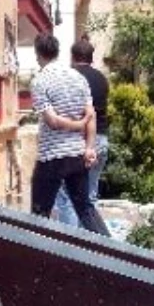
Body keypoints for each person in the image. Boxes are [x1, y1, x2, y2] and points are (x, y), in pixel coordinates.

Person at [29, 34, 110, 236]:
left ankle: (41, 257)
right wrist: (89, 148)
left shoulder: (40, 81)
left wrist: (77, 124)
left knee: (40, 212)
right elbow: (90, 115)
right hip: (77, 154)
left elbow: (53, 122)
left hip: (52, 156)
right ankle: (113, 251)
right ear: (58, 52)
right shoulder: (78, 78)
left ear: (38, 54)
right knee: (85, 208)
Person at [54, 38, 110, 228]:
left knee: (67, 197)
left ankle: (71, 249)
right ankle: (90, 246)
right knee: (89, 197)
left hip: (75, 142)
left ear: (72, 57)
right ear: (91, 58)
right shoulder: (102, 79)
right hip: (100, 141)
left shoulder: (67, 78)